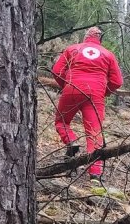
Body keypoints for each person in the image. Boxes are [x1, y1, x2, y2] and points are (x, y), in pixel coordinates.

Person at [51, 26, 123, 180]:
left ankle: (71, 140)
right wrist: (104, 92)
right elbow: (117, 81)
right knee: (94, 133)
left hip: (72, 88)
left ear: (86, 37)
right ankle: (95, 173)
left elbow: (57, 71)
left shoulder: (72, 49)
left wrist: (66, 86)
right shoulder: (108, 54)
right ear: (100, 39)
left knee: (61, 121)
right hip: (95, 95)